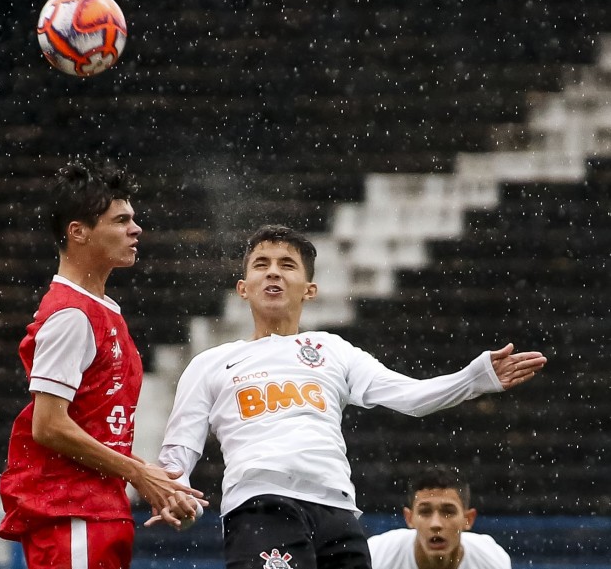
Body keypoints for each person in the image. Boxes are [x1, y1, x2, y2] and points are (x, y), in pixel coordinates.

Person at [150, 224, 546, 569]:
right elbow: (179, 450)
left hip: (337, 512)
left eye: (287, 265)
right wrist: (175, 493)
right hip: (261, 506)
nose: (273, 273)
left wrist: (474, 378)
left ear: (310, 289)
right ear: (243, 288)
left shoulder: (333, 350)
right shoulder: (210, 364)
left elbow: (410, 396)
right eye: (261, 265)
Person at [0, 157, 204, 569]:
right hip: (71, 512)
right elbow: (49, 425)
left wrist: (157, 484)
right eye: (121, 220)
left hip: (97, 510)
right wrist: (138, 474)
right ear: (78, 232)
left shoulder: (104, 310)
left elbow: (95, 427)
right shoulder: (71, 316)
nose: (136, 229)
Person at [368, 465, 510, 569]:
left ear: (468, 519)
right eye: (425, 512)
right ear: (409, 518)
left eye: (448, 512)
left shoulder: (492, 561)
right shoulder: (376, 556)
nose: (436, 524)